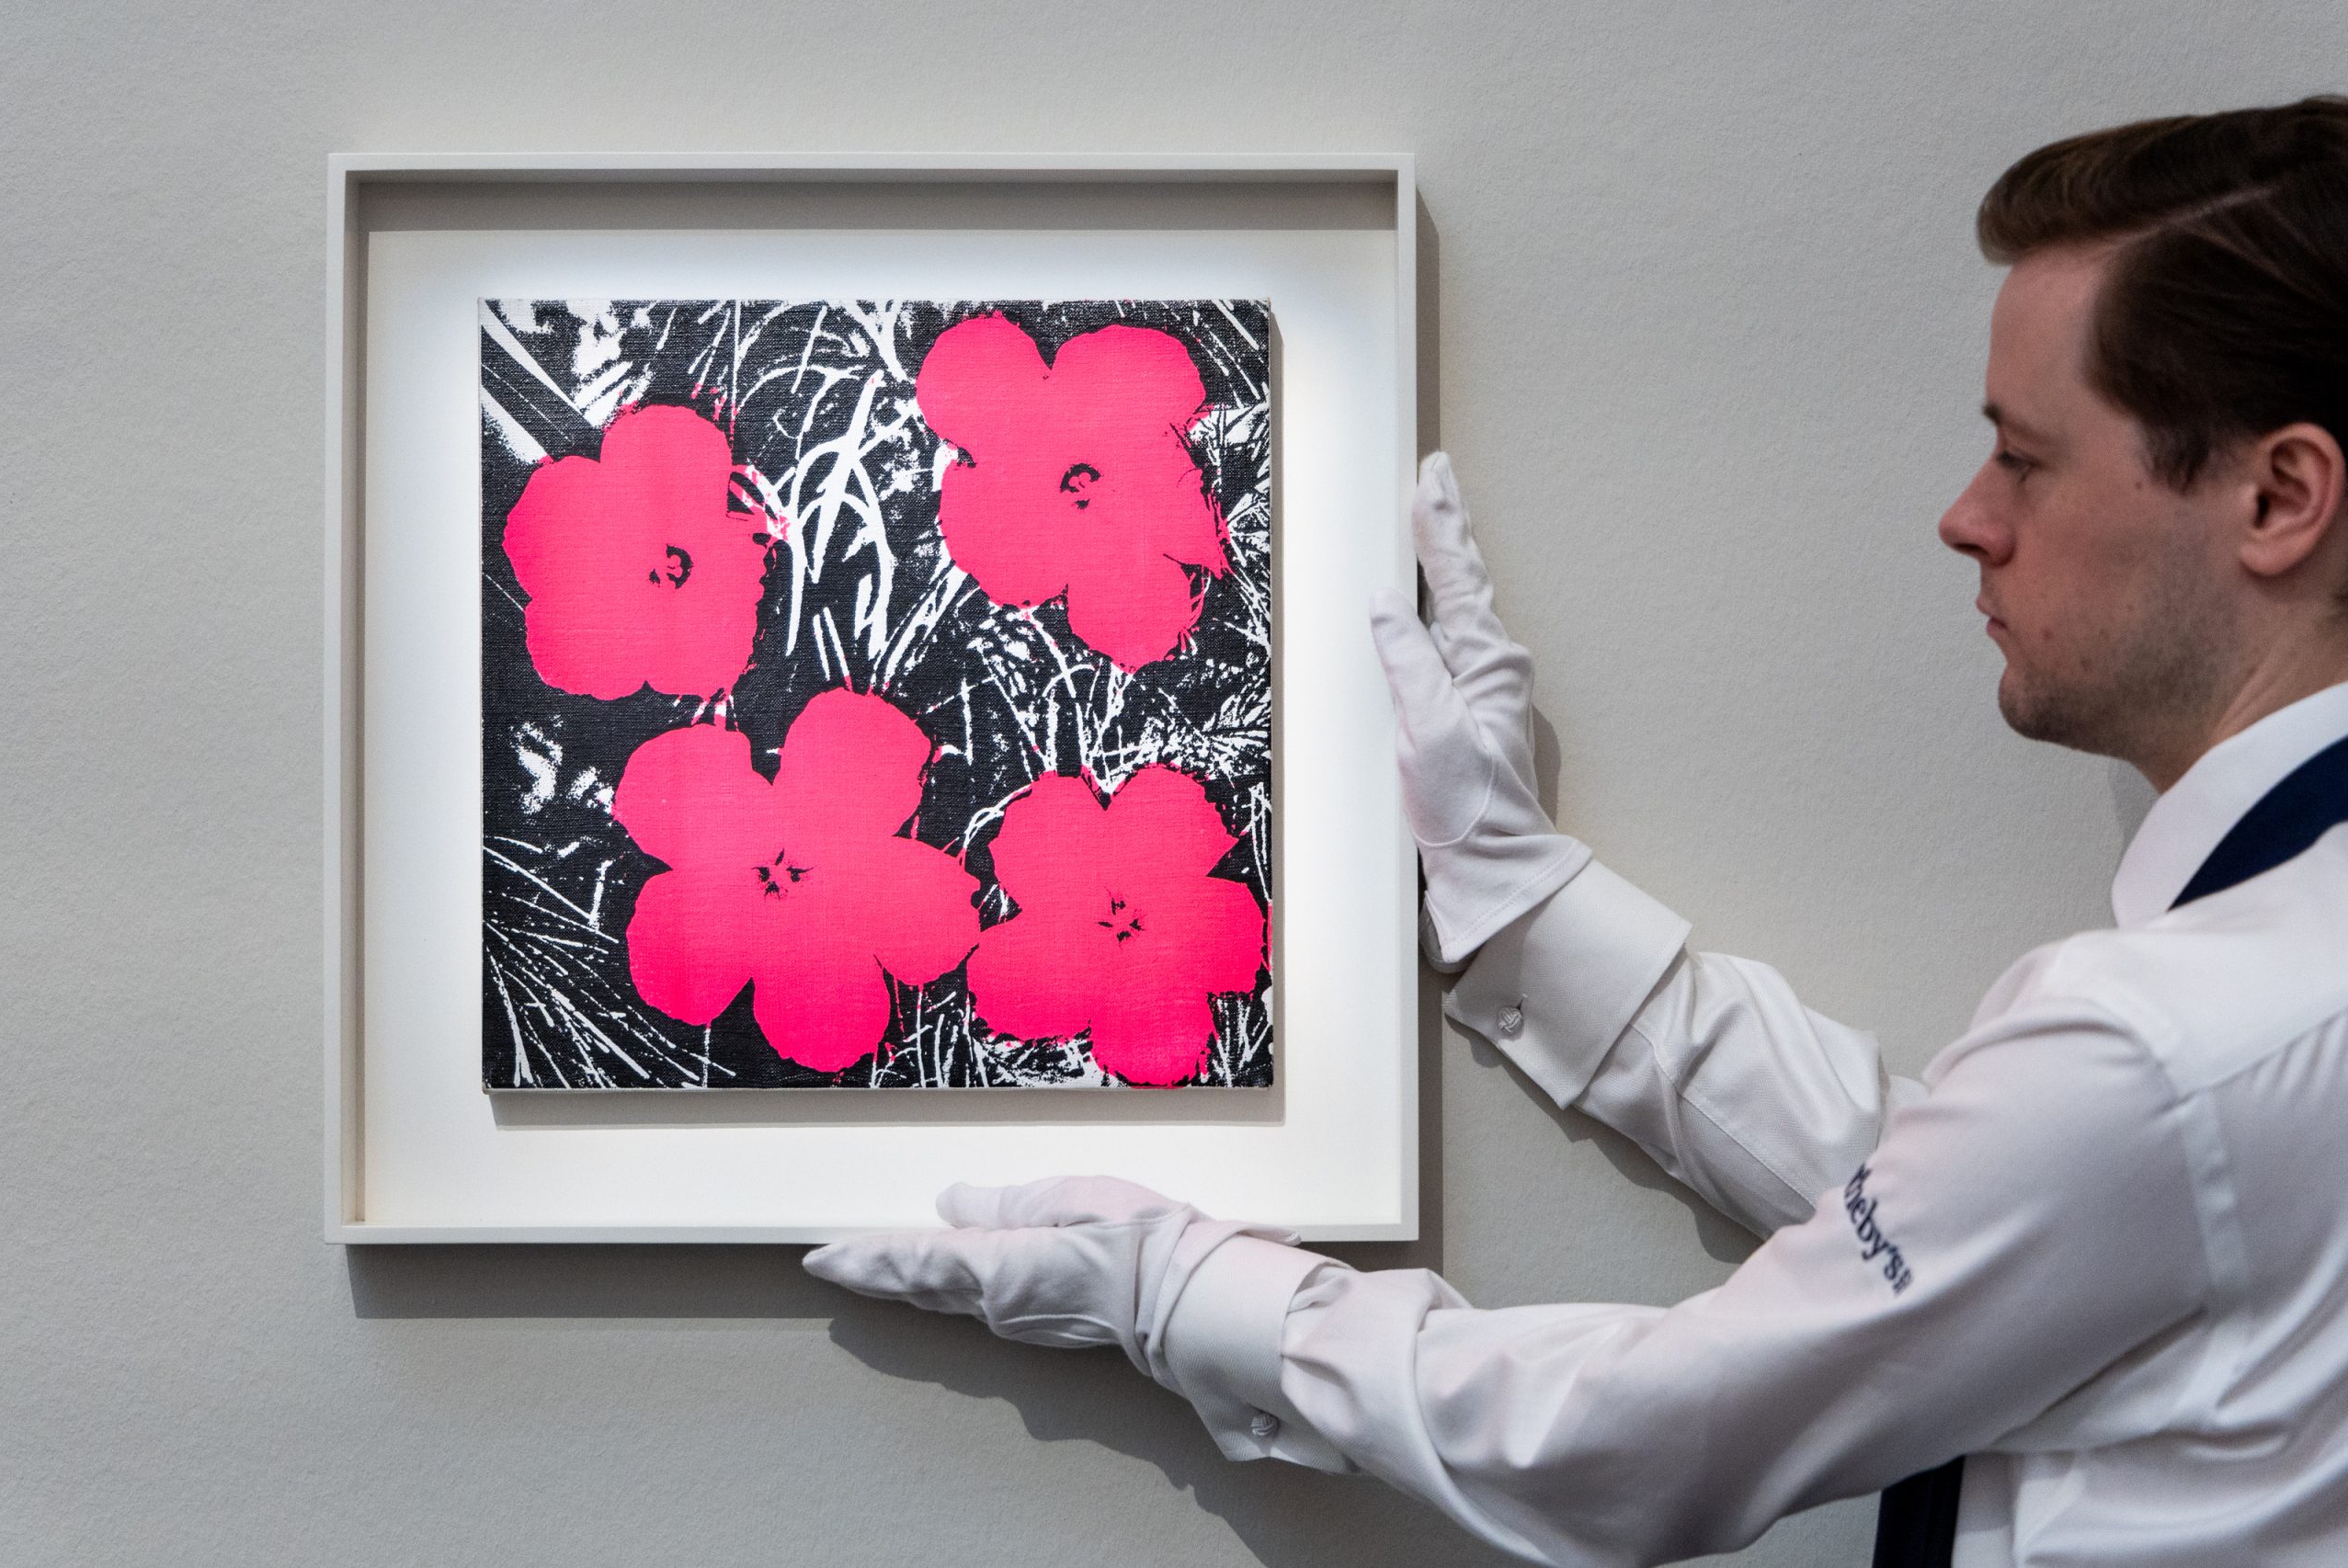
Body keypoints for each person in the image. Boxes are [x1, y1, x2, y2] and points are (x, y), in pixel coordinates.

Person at [804, 98, 2348, 1567]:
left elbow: (1638, 1440)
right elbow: (1984, 1208)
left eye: (2027, 454)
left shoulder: (2173, 1048)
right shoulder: (2246, 1010)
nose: (1968, 513)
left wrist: (1179, 1288)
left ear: (2279, 496)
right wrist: (1520, 899)